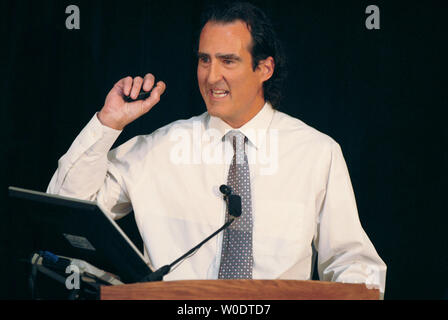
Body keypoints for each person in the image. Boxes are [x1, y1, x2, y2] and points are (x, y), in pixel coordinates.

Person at [47, 2, 387, 297]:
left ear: (264, 68)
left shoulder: (316, 152)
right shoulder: (158, 149)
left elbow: (351, 260)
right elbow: (65, 210)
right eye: (204, 60)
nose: (211, 76)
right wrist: (108, 123)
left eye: (228, 61)